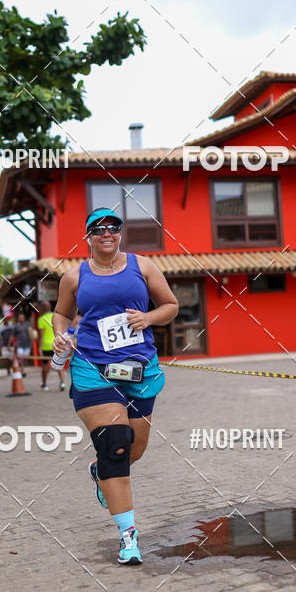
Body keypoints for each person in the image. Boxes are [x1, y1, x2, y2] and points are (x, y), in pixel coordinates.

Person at [52, 208, 178, 565]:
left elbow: (171, 305)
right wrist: (60, 335)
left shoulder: (144, 266)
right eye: (98, 229)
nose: (106, 233)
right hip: (93, 368)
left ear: (120, 233)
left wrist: (148, 317)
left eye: (112, 227)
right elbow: (61, 313)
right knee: (117, 446)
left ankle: (100, 469)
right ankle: (128, 537)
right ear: (88, 236)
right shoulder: (74, 276)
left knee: (134, 450)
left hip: (139, 369)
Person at [36, 300, 65, 391]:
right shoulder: (55, 316)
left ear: (42, 309)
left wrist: (39, 348)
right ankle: (62, 383)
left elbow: (40, 336)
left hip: (45, 346)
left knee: (45, 366)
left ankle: (44, 385)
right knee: (58, 364)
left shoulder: (41, 319)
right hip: (56, 344)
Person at [8, 311, 32, 376]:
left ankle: (21, 368)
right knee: (21, 357)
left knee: (24, 358)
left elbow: (31, 334)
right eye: (20, 317)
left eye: (22, 317)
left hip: (27, 344)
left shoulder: (28, 324)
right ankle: (22, 370)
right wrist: (9, 345)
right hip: (19, 345)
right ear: (18, 318)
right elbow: (12, 336)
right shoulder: (16, 326)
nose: (21, 318)